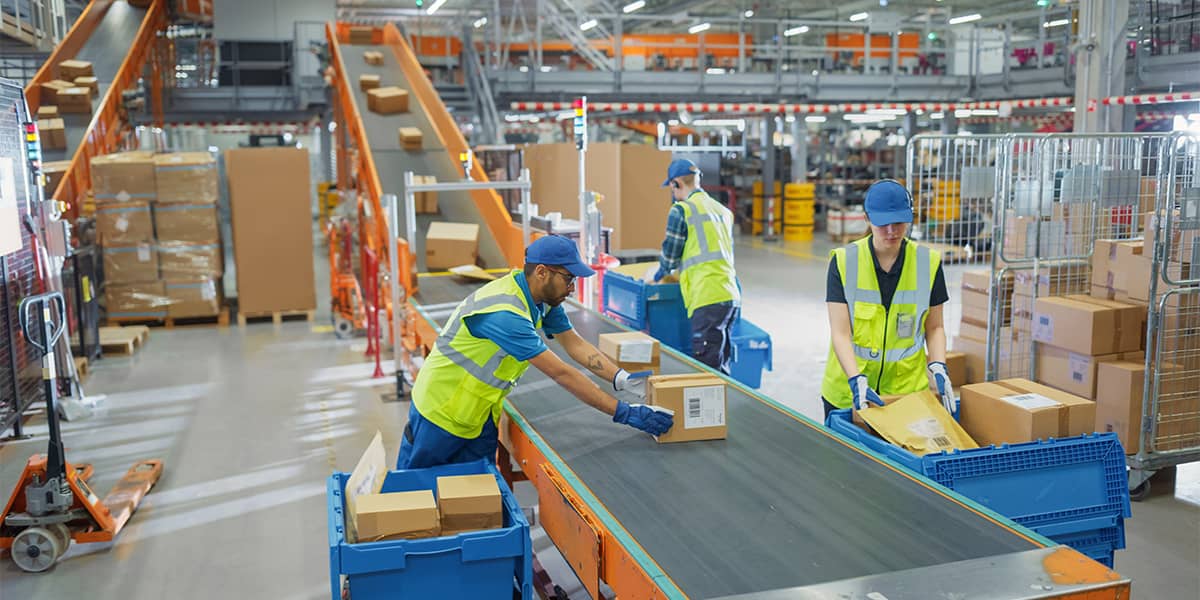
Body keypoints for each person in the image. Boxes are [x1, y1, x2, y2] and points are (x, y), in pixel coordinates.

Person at [397, 235, 674, 469]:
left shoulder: (542, 299)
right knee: (418, 495)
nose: (572, 287)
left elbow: (573, 343)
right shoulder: (506, 313)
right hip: (440, 414)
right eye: (568, 278)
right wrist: (623, 412)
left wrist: (621, 378)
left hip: (479, 413)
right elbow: (561, 373)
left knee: (477, 501)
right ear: (542, 272)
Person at [820, 179, 956, 420]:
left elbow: (934, 327)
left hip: (905, 395)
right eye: (883, 223)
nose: (892, 231)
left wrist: (938, 365)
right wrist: (855, 379)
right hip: (847, 394)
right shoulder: (843, 262)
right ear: (867, 219)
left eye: (899, 222)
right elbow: (841, 333)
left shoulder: (928, 263)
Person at [643, 159, 741, 375]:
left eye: (671, 187)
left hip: (707, 296)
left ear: (676, 183)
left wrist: (656, 275)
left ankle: (716, 409)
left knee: (707, 368)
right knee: (720, 364)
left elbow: (670, 256)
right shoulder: (722, 211)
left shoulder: (681, 210)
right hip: (730, 295)